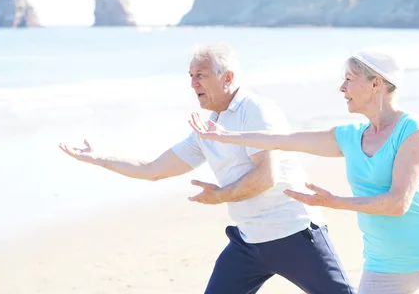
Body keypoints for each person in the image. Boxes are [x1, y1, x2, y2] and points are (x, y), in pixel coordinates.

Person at [58, 43, 355, 294]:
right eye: (190, 76)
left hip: (293, 233)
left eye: (200, 75)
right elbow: (153, 169)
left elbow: (266, 177)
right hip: (249, 242)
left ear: (227, 77)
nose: (193, 84)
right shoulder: (207, 126)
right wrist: (98, 158)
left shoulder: (255, 110)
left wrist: (219, 196)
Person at [188, 47, 419, 294]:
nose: (342, 88)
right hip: (382, 264)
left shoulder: (412, 132)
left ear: (376, 84)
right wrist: (226, 136)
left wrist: (334, 202)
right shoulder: (351, 136)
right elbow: (282, 140)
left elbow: (397, 203)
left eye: (350, 80)